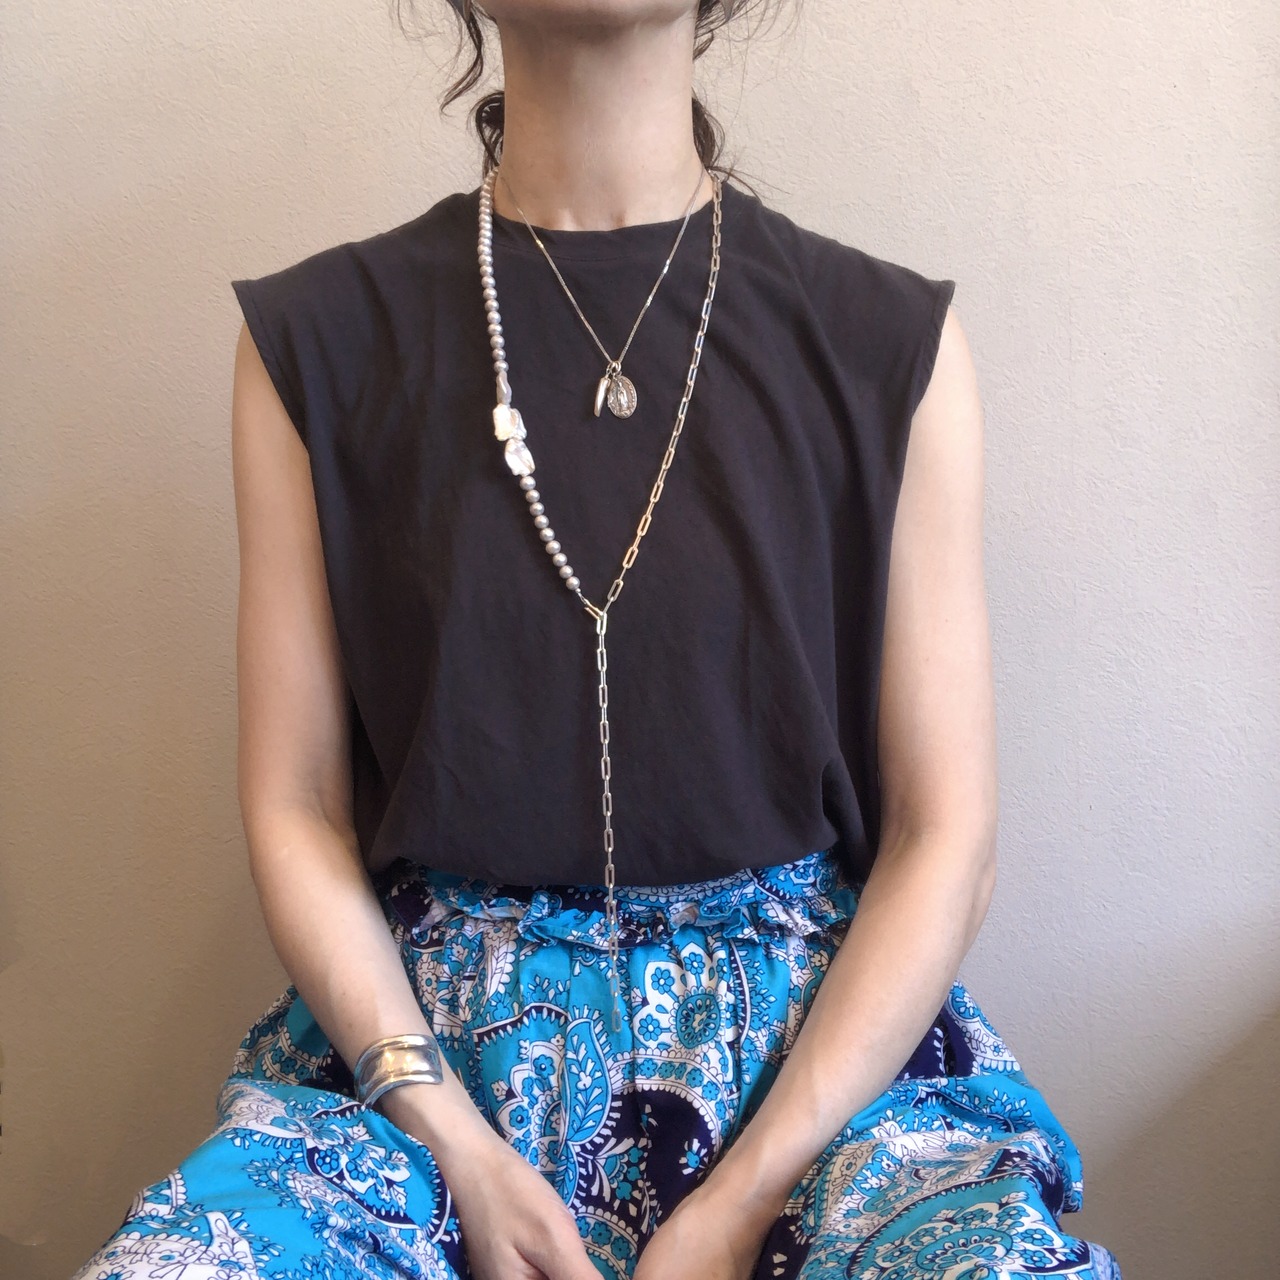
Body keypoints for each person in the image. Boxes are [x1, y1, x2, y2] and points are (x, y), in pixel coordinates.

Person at [72, 2, 1122, 1277]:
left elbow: (942, 835)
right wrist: (450, 1140)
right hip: (420, 1081)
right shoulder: (315, 344)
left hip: (822, 1090)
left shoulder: (887, 347)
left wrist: (746, 1194)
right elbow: (298, 806)